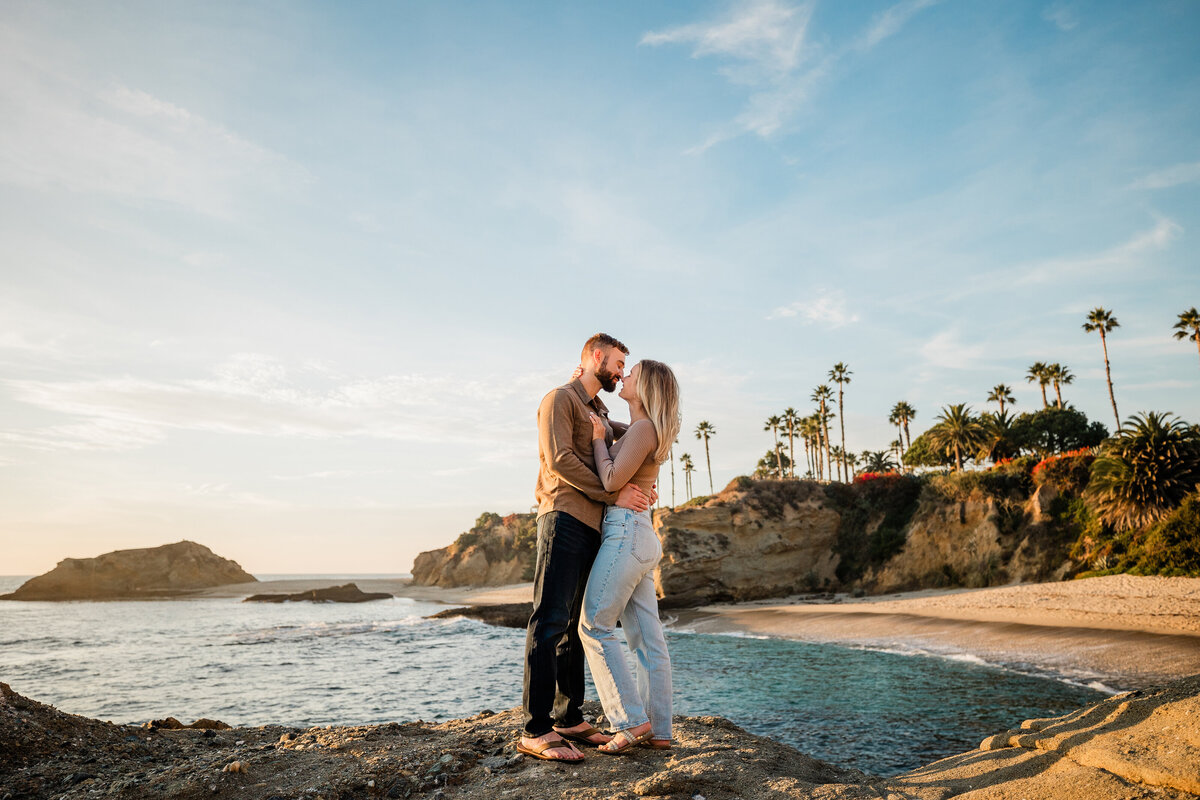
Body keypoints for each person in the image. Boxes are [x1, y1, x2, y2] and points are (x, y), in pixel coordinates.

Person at [517, 333, 655, 763]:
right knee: (550, 619)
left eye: (622, 367)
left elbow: (637, 436)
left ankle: (568, 716)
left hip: (593, 524)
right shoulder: (560, 399)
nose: (619, 372)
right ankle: (535, 728)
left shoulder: (598, 410)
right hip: (563, 517)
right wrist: (613, 494)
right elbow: (559, 460)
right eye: (616, 363)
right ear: (596, 357)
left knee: (575, 623)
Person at [579, 359, 680, 754]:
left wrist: (597, 440)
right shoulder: (645, 429)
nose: (623, 376)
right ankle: (659, 729)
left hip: (625, 532)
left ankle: (630, 721)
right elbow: (620, 435)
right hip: (640, 534)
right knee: (647, 639)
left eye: (632, 373)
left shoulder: (642, 429)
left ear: (647, 387)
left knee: (594, 625)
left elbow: (610, 480)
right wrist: (606, 428)